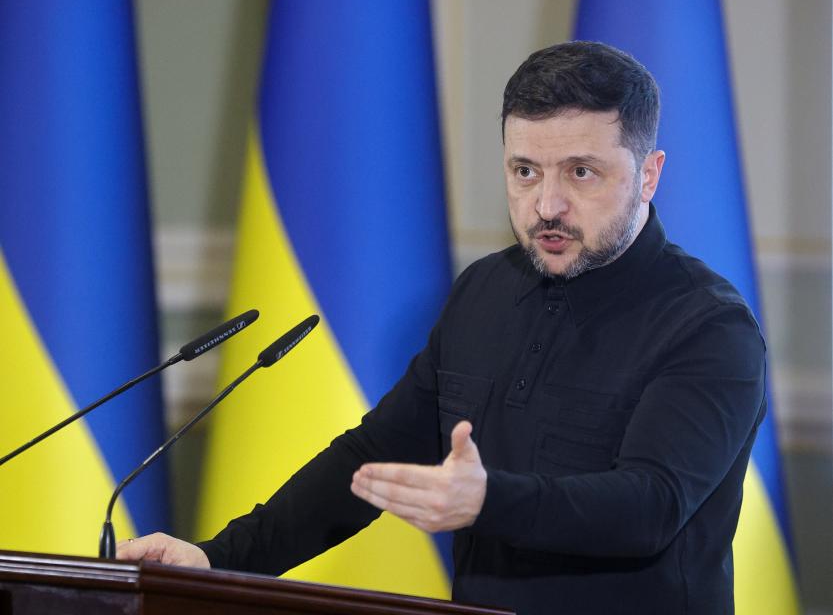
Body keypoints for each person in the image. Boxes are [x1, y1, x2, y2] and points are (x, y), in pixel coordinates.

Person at [119, 41, 766, 615]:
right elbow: (373, 457)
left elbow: (650, 507)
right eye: (524, 171)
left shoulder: (709, 326)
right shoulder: (485, 290)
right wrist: (216, 558)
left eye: (580, 172)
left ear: (648, 174)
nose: (547, 205)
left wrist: (487, 501)